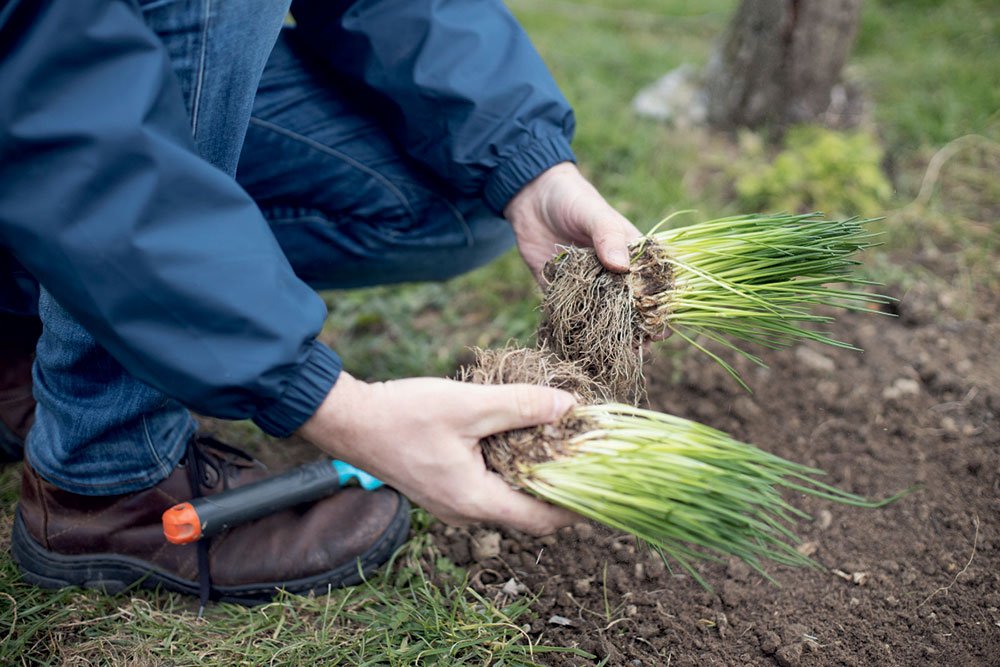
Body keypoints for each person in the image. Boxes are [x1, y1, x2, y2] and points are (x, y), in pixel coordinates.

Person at [0, 0, 641, 606]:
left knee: (464, 194)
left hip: (77, 82)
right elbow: (53, 105)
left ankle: (15, 321)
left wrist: (529, 164)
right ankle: (109, 476)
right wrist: (336, 407)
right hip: (40, 79)